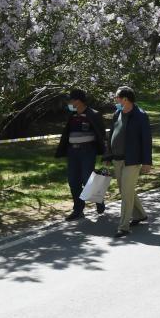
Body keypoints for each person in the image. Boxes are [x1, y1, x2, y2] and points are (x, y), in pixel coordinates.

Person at [104, 86, 152, 238]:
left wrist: (147, 162)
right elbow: (111, 135)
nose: (115, 100)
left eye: (117, 97)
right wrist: (107, 156)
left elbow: (146, 140)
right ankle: (140, 215)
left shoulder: (140, 115)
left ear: (125, 99)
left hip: (132, 160)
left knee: (125, 193)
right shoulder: (117, 113)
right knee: (126, 190)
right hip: (117, 159)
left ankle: (123, 226)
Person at [55, 88, 107, 221]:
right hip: (73, 152)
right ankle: (78, 210)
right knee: (73, 181)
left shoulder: (93, 114)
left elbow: (101, 135)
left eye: (71, 100)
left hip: (87, 151)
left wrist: (105, 153)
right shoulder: (72, 115)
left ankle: (98, 199)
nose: (69, 103)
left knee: (87, 178)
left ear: (78, 101)